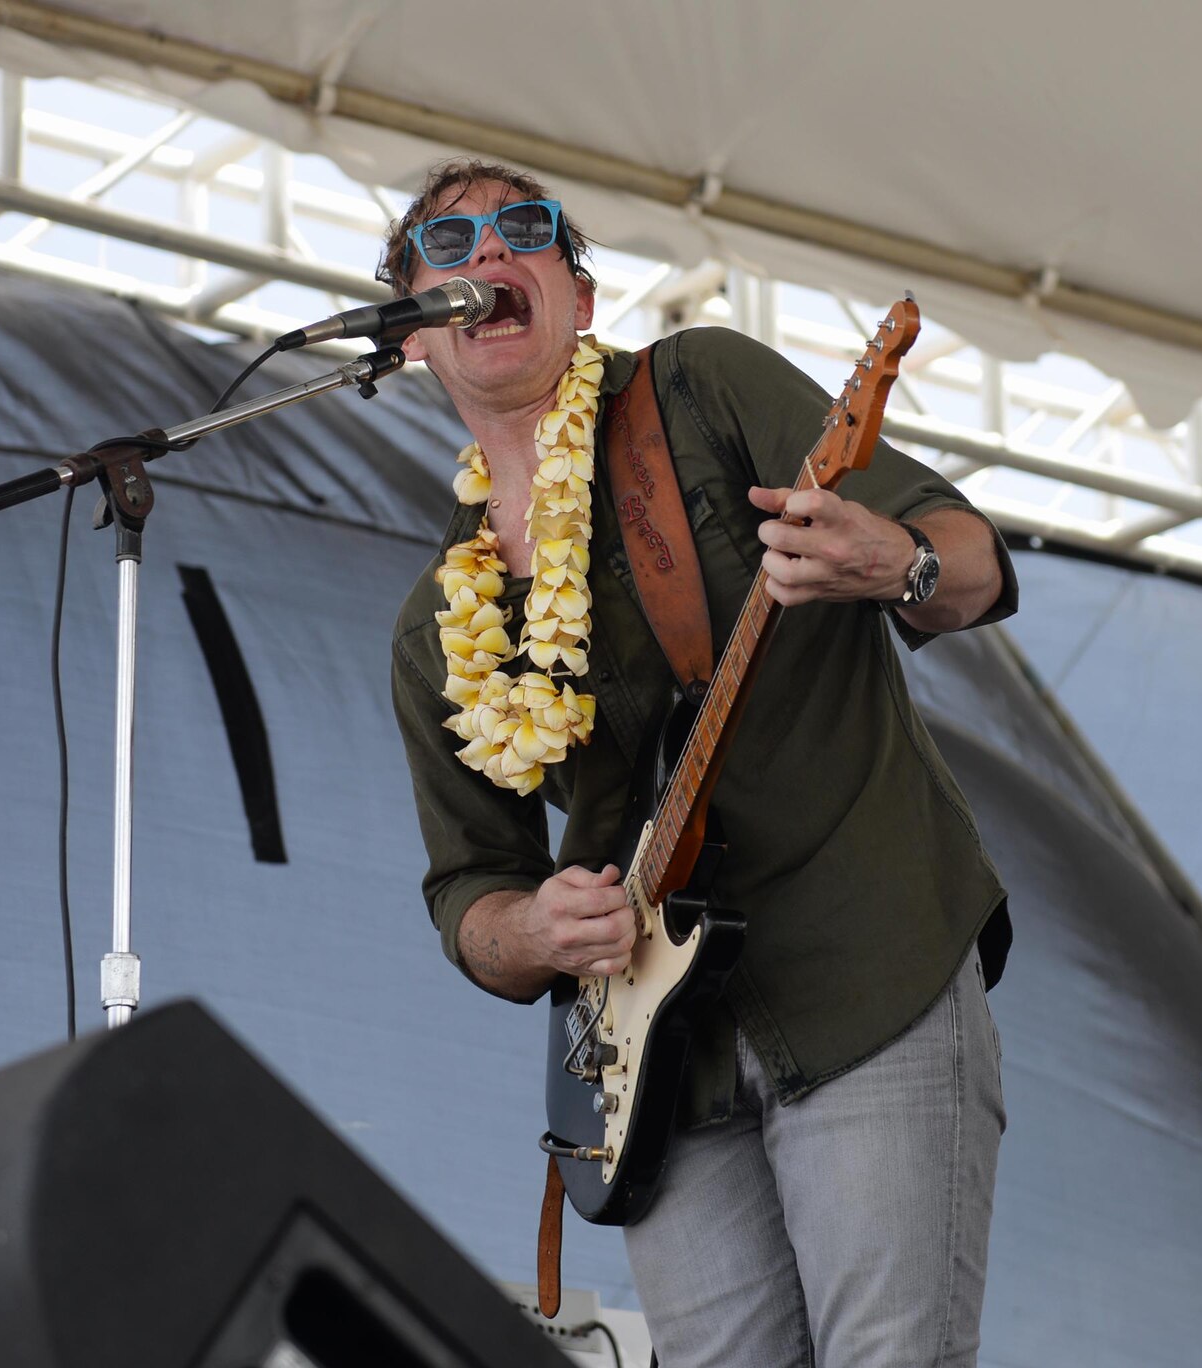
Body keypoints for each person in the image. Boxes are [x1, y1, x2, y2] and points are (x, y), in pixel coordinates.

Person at [384, 158, 1015, 1367]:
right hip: (653, 1071)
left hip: (860, 968)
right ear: (413, 331)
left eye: (526, 231)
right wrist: (534, 932)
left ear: (575, 290)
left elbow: (963, 553)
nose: (489, 255)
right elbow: (467, 889)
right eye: (446, 248)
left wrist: (899, 565)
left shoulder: (698, 388)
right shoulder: (435, 626)